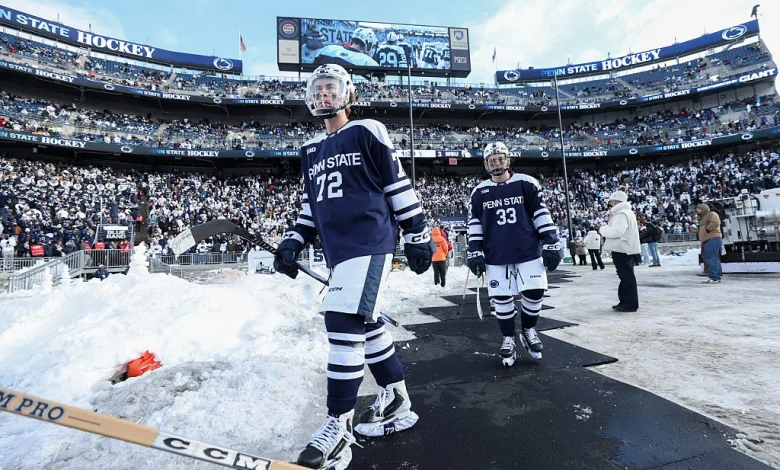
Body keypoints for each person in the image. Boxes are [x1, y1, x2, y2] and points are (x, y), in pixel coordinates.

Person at [273, 64, 435, 470]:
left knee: (342, 322)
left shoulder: (367, 130)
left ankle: (338, 426)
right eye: (318, 89)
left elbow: (396, 183)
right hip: (339, 252)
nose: (324, 94)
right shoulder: (310, 149)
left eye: (331, 87)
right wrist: (293, 241)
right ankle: (395, 397)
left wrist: (417, 232)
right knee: (367, 324)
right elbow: (310, 207)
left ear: (349, 94)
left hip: (370, 240)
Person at [466, 141, 562, 367]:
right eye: (491, 160)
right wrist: (474, 250)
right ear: (486, 164)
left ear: (508, 160)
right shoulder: (479, 191)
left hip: (527, 250)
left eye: (500, 159)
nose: (496, 163)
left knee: (535, 293)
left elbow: (540, 213)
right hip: (496, 253)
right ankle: (508, 337)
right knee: (501, 299)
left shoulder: (526, 183)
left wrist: (551, 241)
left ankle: (528, 330)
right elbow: (475, 223)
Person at [598, 191, 641, 312]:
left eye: (611, 201)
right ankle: (626, 301)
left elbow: (617, 231)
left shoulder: (621, 214)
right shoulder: (627, 212)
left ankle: (629, 303)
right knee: (626, 276)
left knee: (626, 277)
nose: (610, 204)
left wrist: (602, 229)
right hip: (625, 248)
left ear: (616, 201)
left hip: (622, 248)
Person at [697, 203, 722, 284]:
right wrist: (696, 231)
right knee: (712, 258)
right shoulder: (703, 219)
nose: (697, 211)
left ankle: (714, 277)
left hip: (712, 239)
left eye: (699, 209)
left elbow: (715, 223)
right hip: (708, 240)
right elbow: (703, 230)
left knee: (711, 258)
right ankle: (716, 276)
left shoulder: (712, 214)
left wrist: (707, 229)